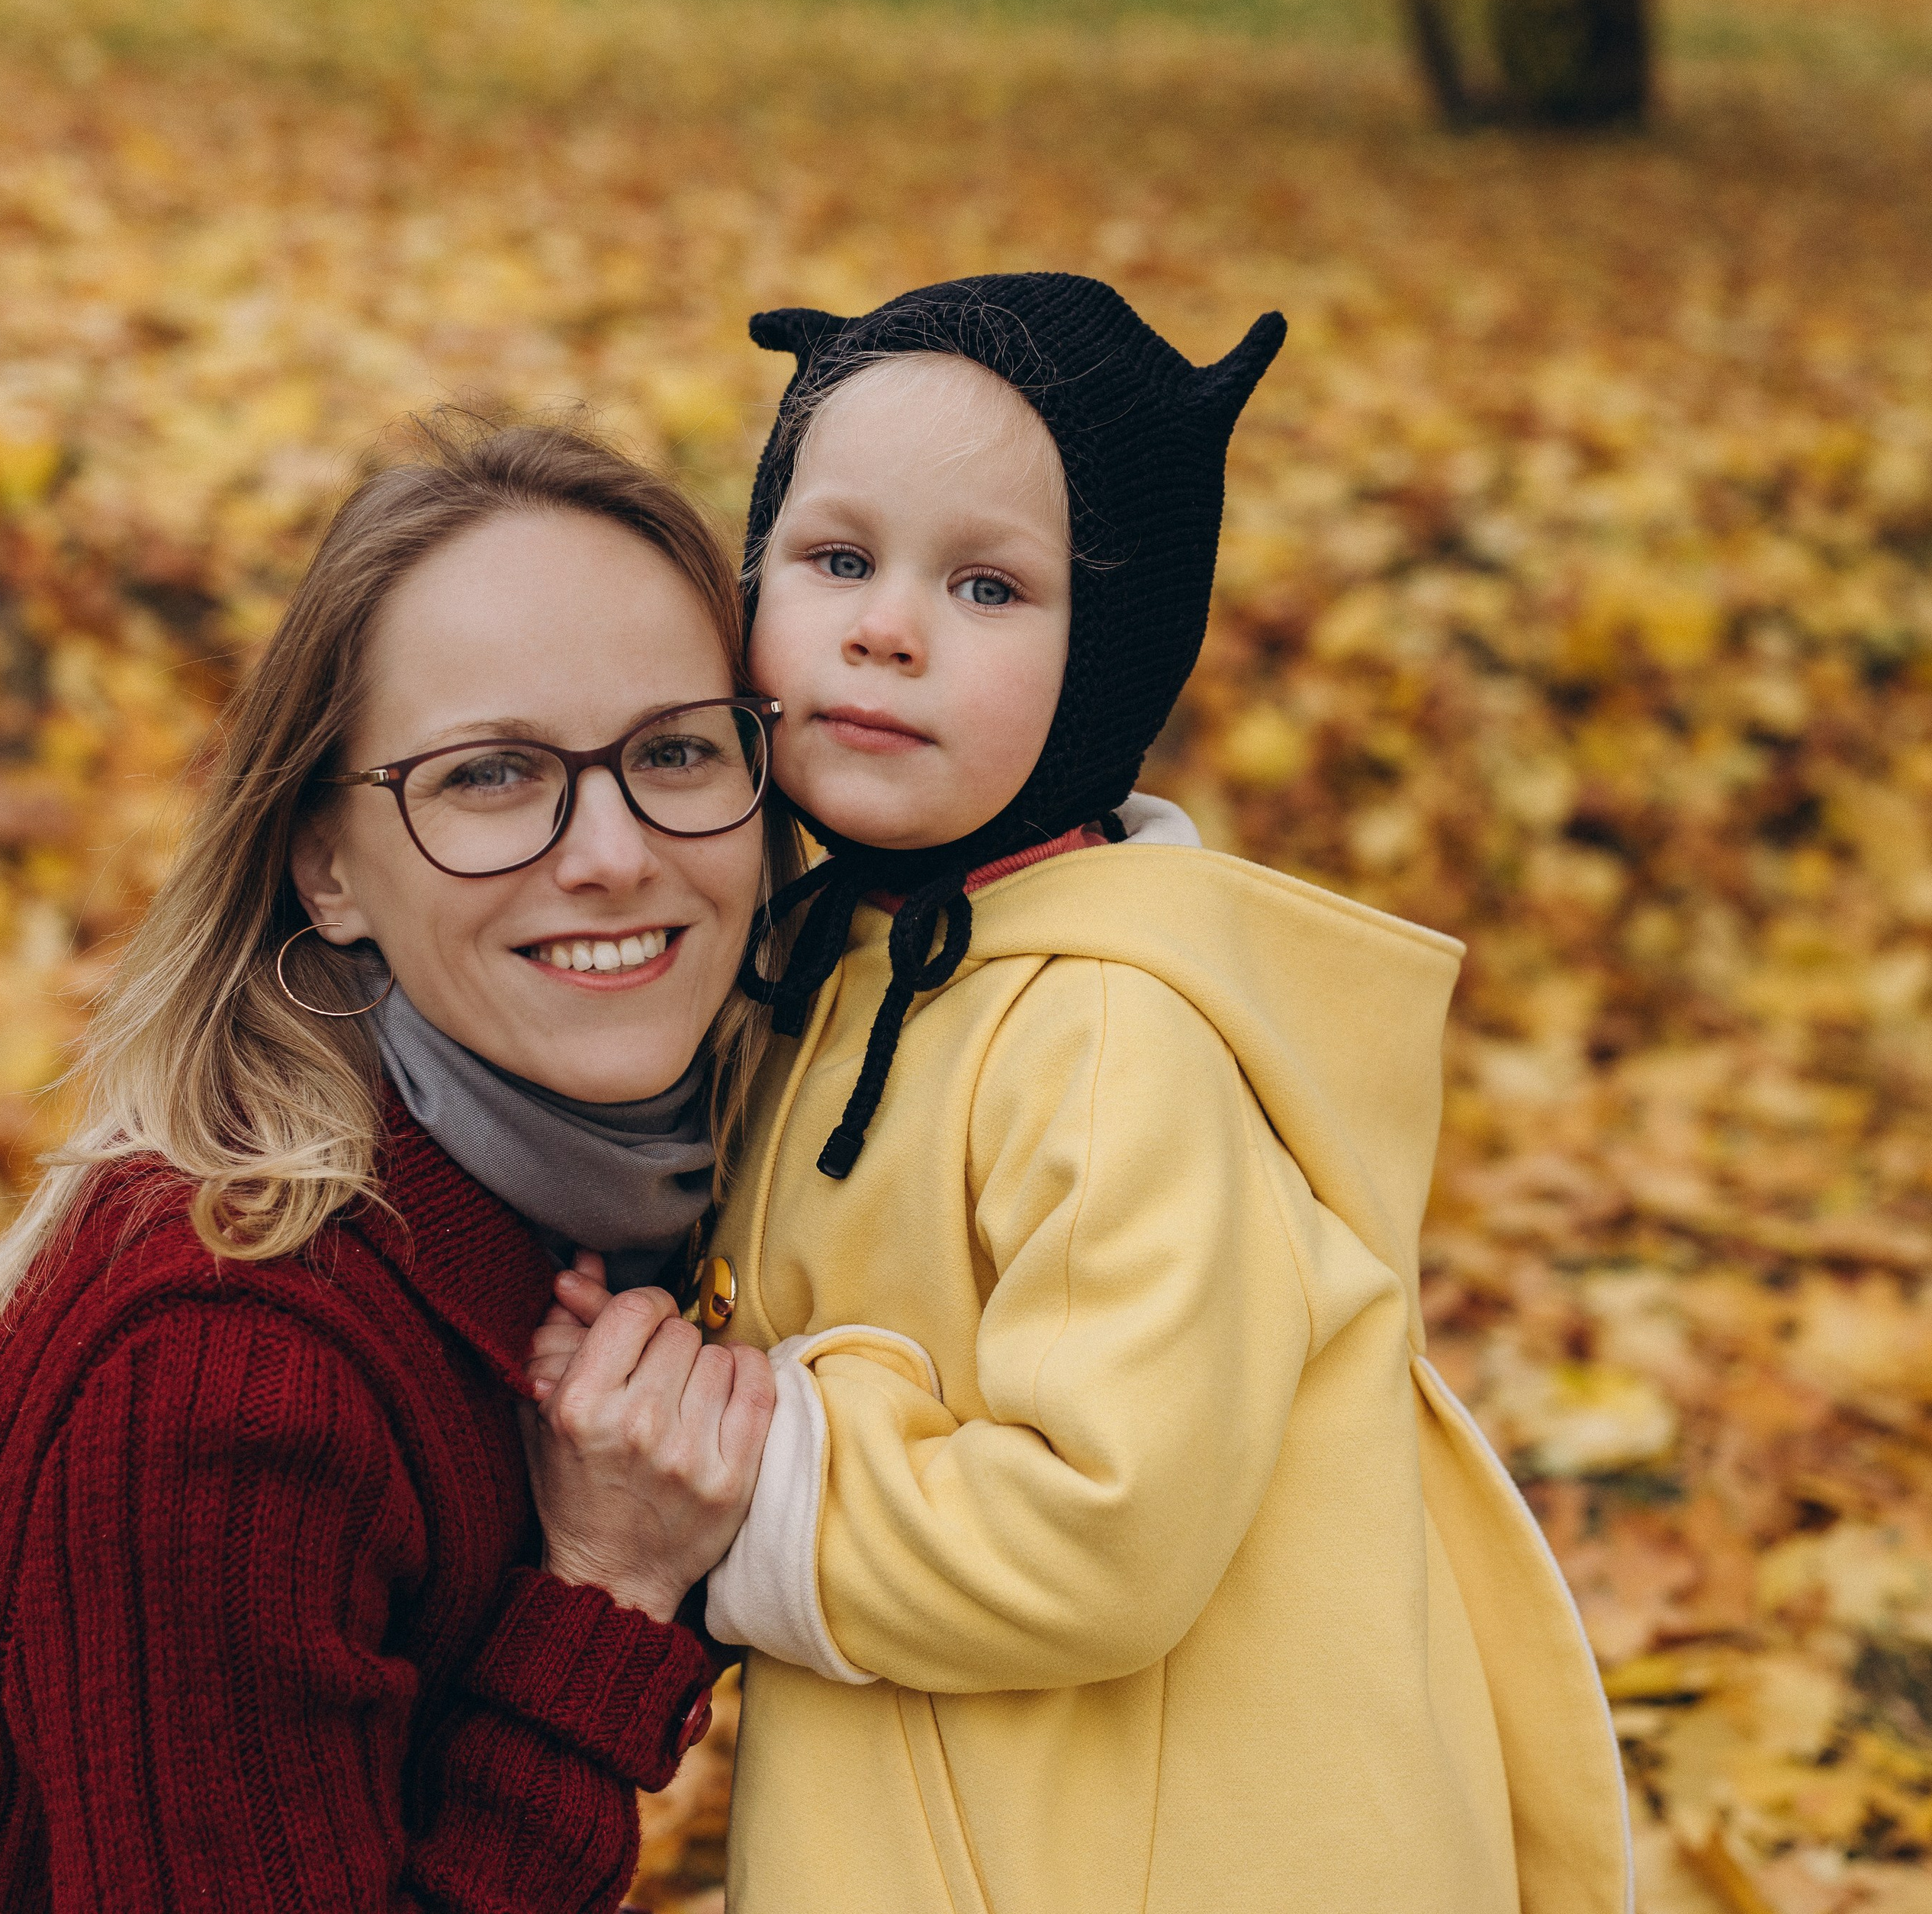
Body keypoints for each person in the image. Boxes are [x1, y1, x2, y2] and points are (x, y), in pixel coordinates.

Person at [538, 275, 1634, 1913]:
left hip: (1170, 1847)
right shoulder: (831, 953)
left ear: (1115, 646)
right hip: (962, 1820)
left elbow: (1100, 1521)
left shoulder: (1110, 1039)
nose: (885, 626)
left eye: (988, 584)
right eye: (834, 558)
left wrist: (736, 1493)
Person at [0, 417, 791, 1913]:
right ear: (326, 867)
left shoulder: (624, 1184)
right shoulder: (231, 1361)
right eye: (492, 774)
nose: (611, 849)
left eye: (674, 749)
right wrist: (603, 1596)